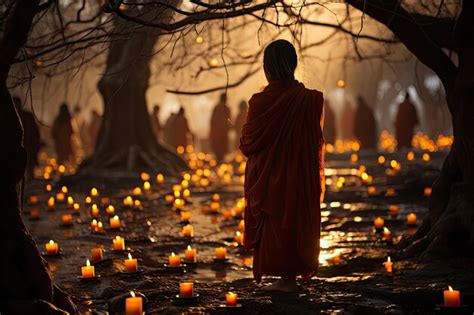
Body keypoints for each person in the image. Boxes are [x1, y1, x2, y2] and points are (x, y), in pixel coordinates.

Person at [240, 39, 325, 292]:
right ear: (294, 64)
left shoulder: (259, 102)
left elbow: (248, 143)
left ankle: (284, 279)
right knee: (294, 221)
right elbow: (314, 142)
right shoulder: (310, 100)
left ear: (267, 67)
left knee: (275, 224)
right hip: (299, 177)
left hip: (269, 178)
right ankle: (291, 277)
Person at [13, 96, 41, 179]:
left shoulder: (27, 116)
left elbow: (34, 131)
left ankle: (30, 184)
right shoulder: (9, 117)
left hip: (28, 146)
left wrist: (35, 143)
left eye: (16, 104)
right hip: (15, 148)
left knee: (29, 167)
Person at [210, 93, 231, 161]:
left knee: (217, 148)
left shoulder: (217, 107)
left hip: (217, 133)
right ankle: (220, 161)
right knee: (222, 148)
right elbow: (229, 121)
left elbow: (212, 120)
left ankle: (218, 161)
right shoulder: (227, 108)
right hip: (223, 133)